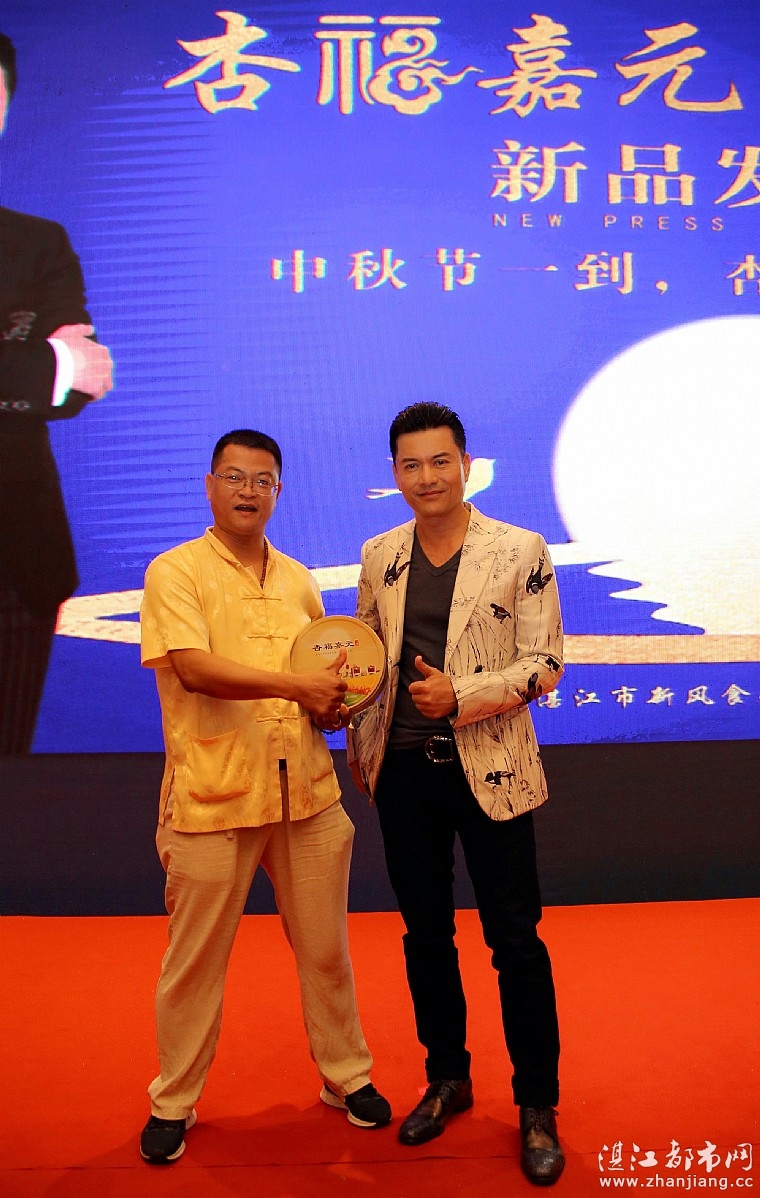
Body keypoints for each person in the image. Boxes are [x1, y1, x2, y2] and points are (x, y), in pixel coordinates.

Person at [138, 428, 391, 1165]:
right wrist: (295, 686)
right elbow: (192, 668)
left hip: (307, 795)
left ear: (278, 491)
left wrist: (331, 705)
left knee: (326, 951)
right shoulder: (174, 572)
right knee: (194, 963)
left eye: (263, 480)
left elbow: (319, 679)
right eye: (235, 477)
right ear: (210, 485)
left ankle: (347, 1076)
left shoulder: (299, 581)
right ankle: (173, 1101)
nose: (248, 491)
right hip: (212, 796)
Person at [346, 402, 565, 1185]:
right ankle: (447, 1078)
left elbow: (545, 664)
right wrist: (350, 725)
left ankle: (537, 1104)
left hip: (492, 769)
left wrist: (461, 695)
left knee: (516, 941)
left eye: (440, 462)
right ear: (395, 473)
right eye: (411, 465)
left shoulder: (519, 548)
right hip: (404, 774)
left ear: (466, 466)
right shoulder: (380, 554)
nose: (427, 477)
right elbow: (366, 660)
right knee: (425, 936)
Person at [0, 33, 114, 753]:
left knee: (8, 777)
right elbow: (59, 374)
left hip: (16, 562)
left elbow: (85, 378)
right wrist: (43, 365)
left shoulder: (37, 244)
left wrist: (54, 369)